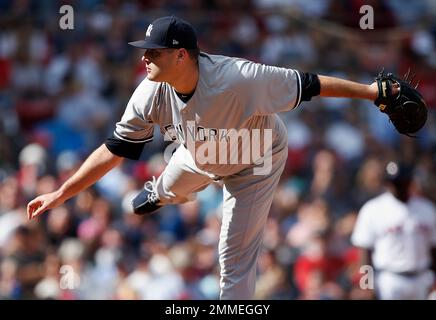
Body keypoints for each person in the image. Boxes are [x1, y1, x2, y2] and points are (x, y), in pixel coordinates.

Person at [27, 15, 394, 300]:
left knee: (232, 260)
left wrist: (371, 92)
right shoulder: (149, 93)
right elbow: (114, 150)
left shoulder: (239, 78)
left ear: (181, 55)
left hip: (257, 159)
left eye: (154, 51)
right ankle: (162, 193)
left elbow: (310, 83)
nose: (144, 56)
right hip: (199, 154)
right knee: (170, 185)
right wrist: (62, 193)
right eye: (145, 50)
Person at [351, 161, 436, 300]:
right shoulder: (373, 209)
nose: (398, 186)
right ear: (387, 183)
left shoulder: (427, 209)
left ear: (410, 182)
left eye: (402, 182)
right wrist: (366, 284)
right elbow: (365, 251)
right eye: (394, 182)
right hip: (389, 279)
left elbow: (433, 248)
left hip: (421, 277)